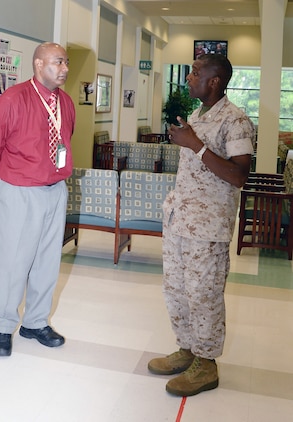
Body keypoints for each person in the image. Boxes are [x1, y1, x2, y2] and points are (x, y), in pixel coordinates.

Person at [148, 54, 255, 396]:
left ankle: (206, 365)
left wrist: (194, 144)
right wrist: (190, 138)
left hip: (208, 229)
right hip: (181, 220)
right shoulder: (197, 115)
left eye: (196, 72)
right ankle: (187, 349)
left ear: (214, 81)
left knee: (204, 295)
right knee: (176, 291)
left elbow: (238, 175)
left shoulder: (236, 121)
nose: (189, 78)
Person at [0, 42, 75, 357]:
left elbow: (65, 139)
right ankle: (3, 327)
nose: (65, 69)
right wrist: (7, 175)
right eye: (58, 62)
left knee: (47, 262)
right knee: (12, 262)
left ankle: (35, 322)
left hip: (55, 190)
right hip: (20, 191)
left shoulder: (66, 103)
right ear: (37, 64)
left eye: (66, 63)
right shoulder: (13, 99)